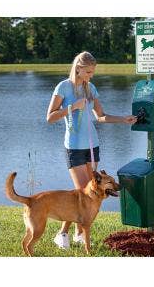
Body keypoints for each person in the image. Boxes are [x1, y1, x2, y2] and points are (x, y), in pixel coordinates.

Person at [46, 51, 137, 249]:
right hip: (74, 148)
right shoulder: (63, 87)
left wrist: (123, 119)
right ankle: (62, 234)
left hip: (92, 146)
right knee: (81, 193)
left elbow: (101, 116)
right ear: (78, 69)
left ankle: (79, 235)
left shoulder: (91, 88)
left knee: (91, 193)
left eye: (92, 72)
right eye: (88, 71)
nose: (91, 75)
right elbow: (50, 117)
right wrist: (72, 108)